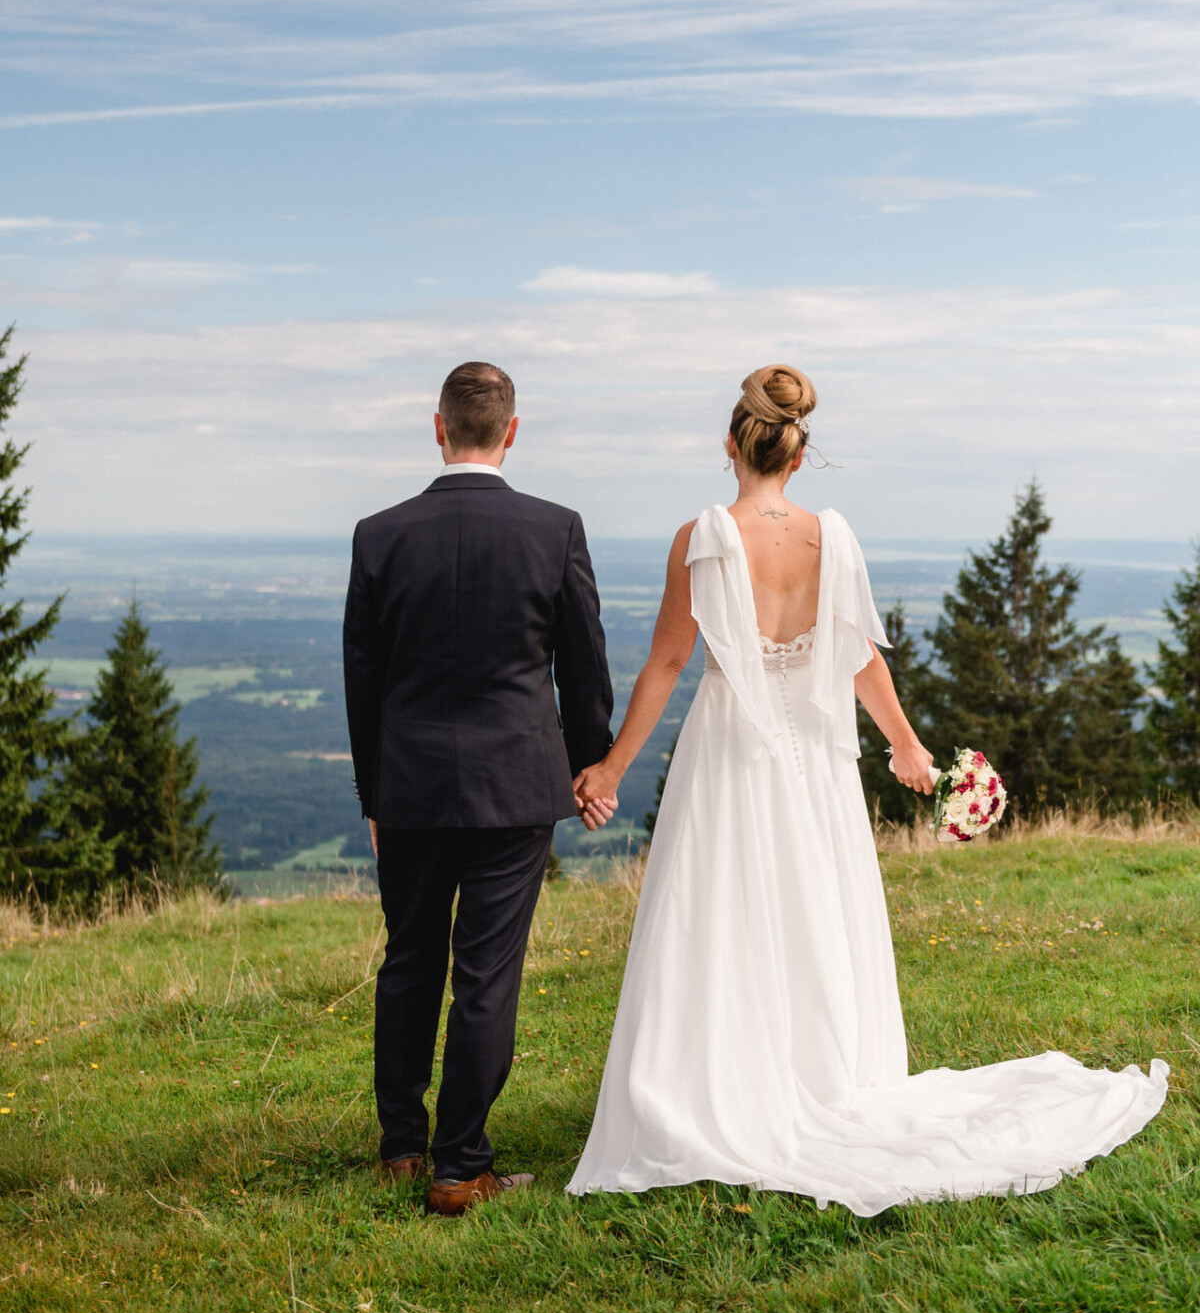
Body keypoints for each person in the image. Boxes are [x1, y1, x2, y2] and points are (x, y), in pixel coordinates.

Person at [568, 364, 1167, 1212]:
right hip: (819, 752)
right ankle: (824, 1073)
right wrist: (907, 745)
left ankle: (722, 1083)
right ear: (798, 453)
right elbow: (856, 655)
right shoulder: (832, 538)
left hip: (733, 746)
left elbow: (668, 660)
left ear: (732, 443)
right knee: (816, 903)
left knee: (722, 903)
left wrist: (612, 767)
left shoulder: (702, 536)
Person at [344, 361, 615, 1217]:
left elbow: (363, 680)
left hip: (411, 785)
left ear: (438, 428)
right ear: (511, 430)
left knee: (410, 959)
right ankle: (460, 1165)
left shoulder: (378, 534)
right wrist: (590, 761)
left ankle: (401, 1148)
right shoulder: (555, 528)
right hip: (515, 785)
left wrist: (374, 794)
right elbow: (584, 664)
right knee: (487, 973)